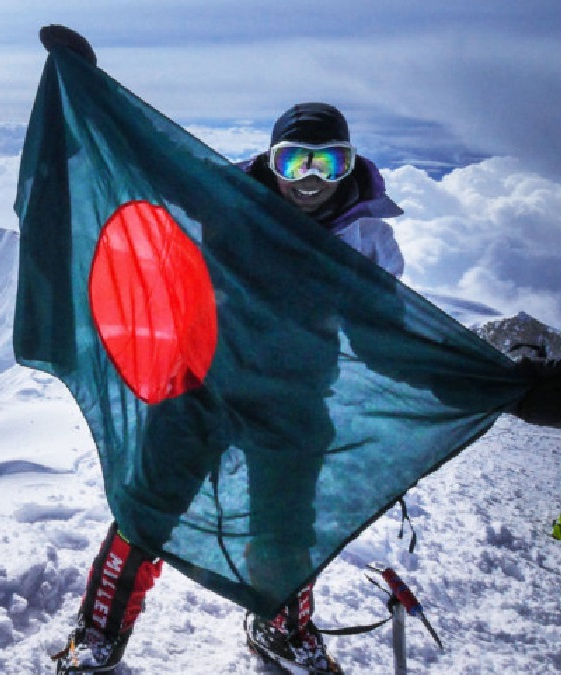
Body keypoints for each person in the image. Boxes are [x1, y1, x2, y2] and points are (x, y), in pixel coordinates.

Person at [38, 24, 560, 675]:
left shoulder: (365, 245)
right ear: (270, 160)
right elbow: (151, 160)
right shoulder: (229, 199)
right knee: (146, 511)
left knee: (286, 537)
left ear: (349, 165)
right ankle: (98, 632)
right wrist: (90, 89)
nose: (309, 180)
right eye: (294, 162)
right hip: (204, 382)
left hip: (292, 403)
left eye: (326, 163)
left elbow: (392, 342)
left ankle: (280, 628)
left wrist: (507, 387)